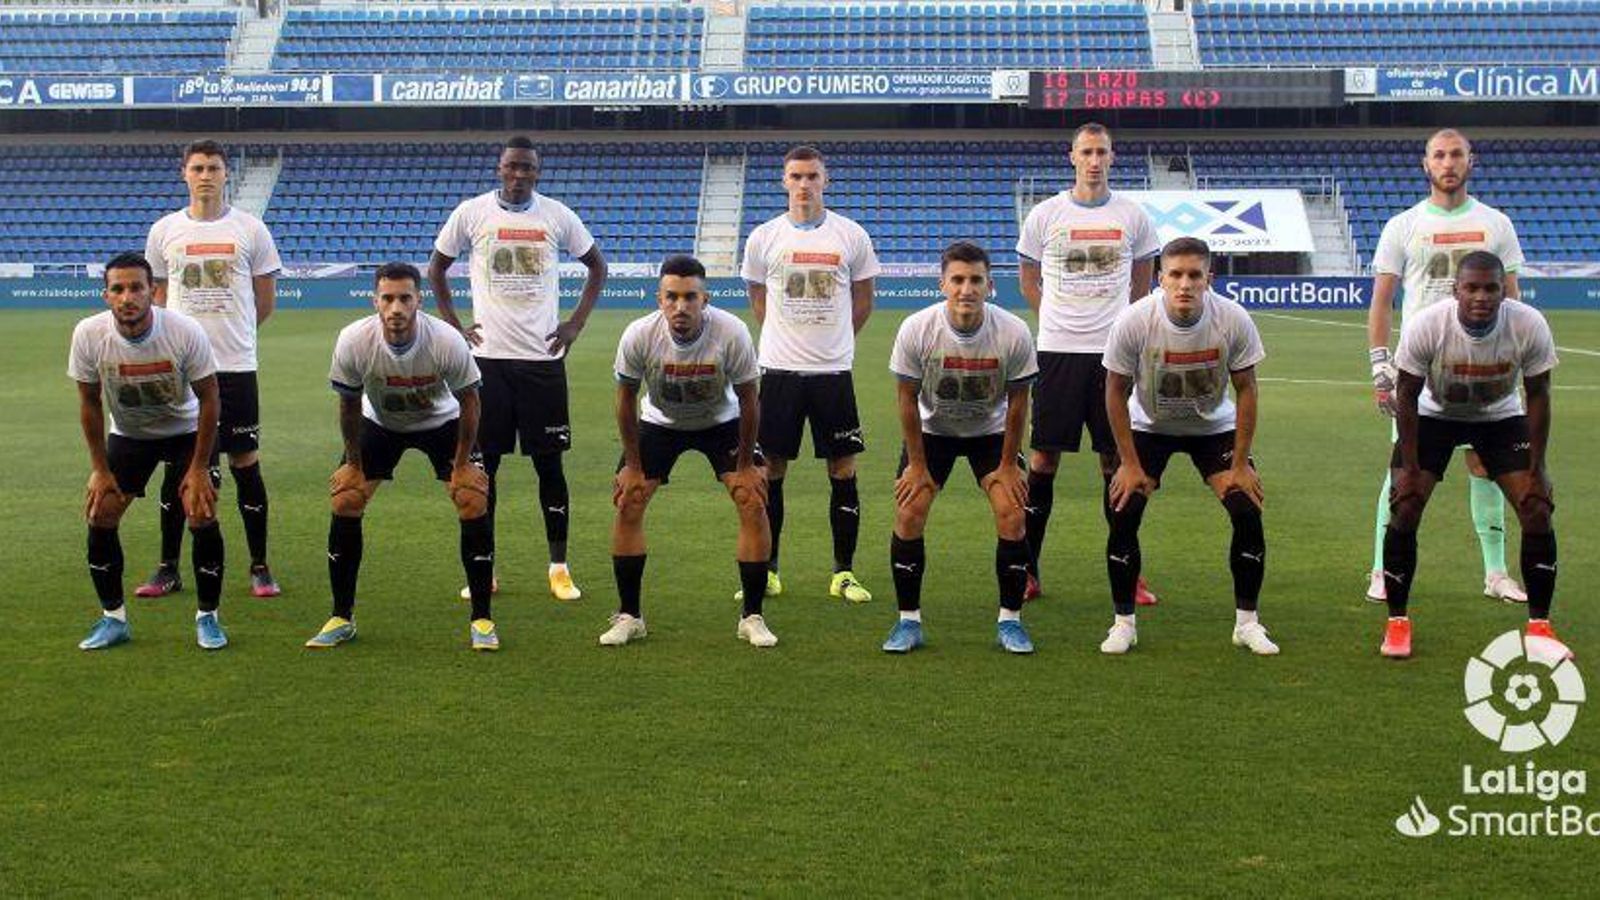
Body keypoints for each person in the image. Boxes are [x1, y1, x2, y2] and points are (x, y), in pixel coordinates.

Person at [429, 136, 607, 603]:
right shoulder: (471, 213)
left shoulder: (556, 215)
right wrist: (454, 328)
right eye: (512, 166)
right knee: (486, 469)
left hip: (542, 363)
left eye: (528, 167)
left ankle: (559, 568)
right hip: (487, 364)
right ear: (499, 167)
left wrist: (574, 324)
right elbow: (436, 268)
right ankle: (484, 570)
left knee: (549, 466)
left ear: (537, 171)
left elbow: (596, 267)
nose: (519, 174)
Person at [1367, 128, 1527, 605]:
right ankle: (1380, 568)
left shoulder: (1496, 224)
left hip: (1488, 367)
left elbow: (1513, 298)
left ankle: (1496, 572)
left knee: (1486, 465)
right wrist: (1381, 367)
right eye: (1439, 155)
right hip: (1425, 372)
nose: (1448, 162)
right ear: (1425, 164)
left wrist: (1514, 361)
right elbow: (1381, 302)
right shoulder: (1404, 225)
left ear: (1470, 161)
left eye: (1456, 154)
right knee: (1403, 471)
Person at [1378, 251, 1563, 659]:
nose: (1481, 296)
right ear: (1456, 290)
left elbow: (1539, 395)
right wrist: (1408, 467)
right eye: (1472, 287)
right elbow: (1406, 394)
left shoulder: (1528, 324)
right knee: (1405, 505)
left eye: (1491, 288)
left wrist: (1538, 467)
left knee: (1536, 507)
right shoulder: (1428, 325)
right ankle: (1397, 624)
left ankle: (1540, 628)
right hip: (1434, 416)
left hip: (1499, 418)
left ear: (1503, 290)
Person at [1098, 237, 1278, 656]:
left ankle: (1247, 623)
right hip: (1149, 426)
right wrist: (1127, 462)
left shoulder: (1232, 318)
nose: (1184, 284)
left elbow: (1247, 389)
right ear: (1160, 279)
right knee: (1123, 511)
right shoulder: (1134, 320)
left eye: (1194, 275)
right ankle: (1123, 622)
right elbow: (1114, 390)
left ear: (1208, 279)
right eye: (1175, 274)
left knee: (1246, 510)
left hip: (1213, 427)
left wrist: (1239, 464)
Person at [304, 263, 496, 651]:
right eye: (387, 298)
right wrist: (353, 465)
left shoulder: (445, 339)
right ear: (375, 300)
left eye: (404, 298)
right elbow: (348, 406)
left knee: (473, 500)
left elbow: (471, 402)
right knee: (346, 499)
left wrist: (461, 465)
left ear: (418, 301)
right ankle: (342, 616)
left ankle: (482, 620)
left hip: (443, 422)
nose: (396, 308)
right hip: (381, 424)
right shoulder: (354, 339)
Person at [1016, 122, 1161, 606]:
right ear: (1072, 157)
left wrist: (1123, 330)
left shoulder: (1133, 216)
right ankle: (1027, 570)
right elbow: (1029, 277)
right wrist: (1055, 319)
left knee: (1116, 462)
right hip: (1057, 351)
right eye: (1086, 152)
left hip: (1112, 357)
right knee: (1043, 459)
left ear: (1112, 157)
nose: (1094, 160)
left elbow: (1143, 280)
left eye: (1102, 152)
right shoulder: (1045, 214)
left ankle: (1128, 571)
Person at [601, 254, 774, 648]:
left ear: (705, 299)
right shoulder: (638, 335)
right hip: (660, 423)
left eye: (690, 297)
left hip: (721, 422)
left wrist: (746, 464)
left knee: (752, 500)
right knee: (629, 499)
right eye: (672, 297)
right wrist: (632, 464)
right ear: (659, 299)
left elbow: (750, 399)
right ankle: (630, 615)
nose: (681, 306)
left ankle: (752, 615)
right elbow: (625, 400)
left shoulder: (732, 332)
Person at [881, 241, 1039, 655]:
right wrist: (916, 464)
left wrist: (1008, 464)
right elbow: (905, 399)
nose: (966, 289)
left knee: (1012, 512)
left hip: (991, 432)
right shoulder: (917, 328)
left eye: (975, 280)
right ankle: (907, 622)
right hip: (934, 432)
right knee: (910, 510)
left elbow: (1020, 401)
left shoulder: (1013, 331)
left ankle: (1011, 621)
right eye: (958, 280)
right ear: (943, 284)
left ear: (990, 285)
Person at [142, 139, 283, 600]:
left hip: (235, 366)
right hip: (182, 372)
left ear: (227, 174)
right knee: (177, 465)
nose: (206, 175)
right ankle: (167, 567)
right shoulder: (164, 231)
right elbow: (159, 298)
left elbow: (264, 303)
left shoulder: (251, 230)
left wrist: (233, 335)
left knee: (245, 463)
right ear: (183, 172)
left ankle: (260, 566)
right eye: (198, 167)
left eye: (214, 168)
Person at [740, 145, 878, 604]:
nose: (804, 184)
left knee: (842, 467)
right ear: (784, 181)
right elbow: (757, 295)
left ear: (826, 180)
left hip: (832, 371)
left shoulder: (851, 235)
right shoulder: (763, 237)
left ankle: (843, 572)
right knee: (771, 468)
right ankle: (771, 569)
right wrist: (783, 336)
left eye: (812, 176)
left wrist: (836, 339)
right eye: (796, 176)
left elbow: (863, 300)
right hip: (778, 370)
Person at [70, 252, 228, 650]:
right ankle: (113, 619)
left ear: (153, 291)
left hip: (186, 430)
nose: (128, 297)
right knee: (101, 513)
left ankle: (208, 617)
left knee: (200, 511)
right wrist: (99, 469)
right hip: (130, 434)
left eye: (136, 288)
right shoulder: (88, 334)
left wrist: (198, 467)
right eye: (118, 289)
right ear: (105, 295)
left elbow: (210, 399)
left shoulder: (183, 331)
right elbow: (89, 402)